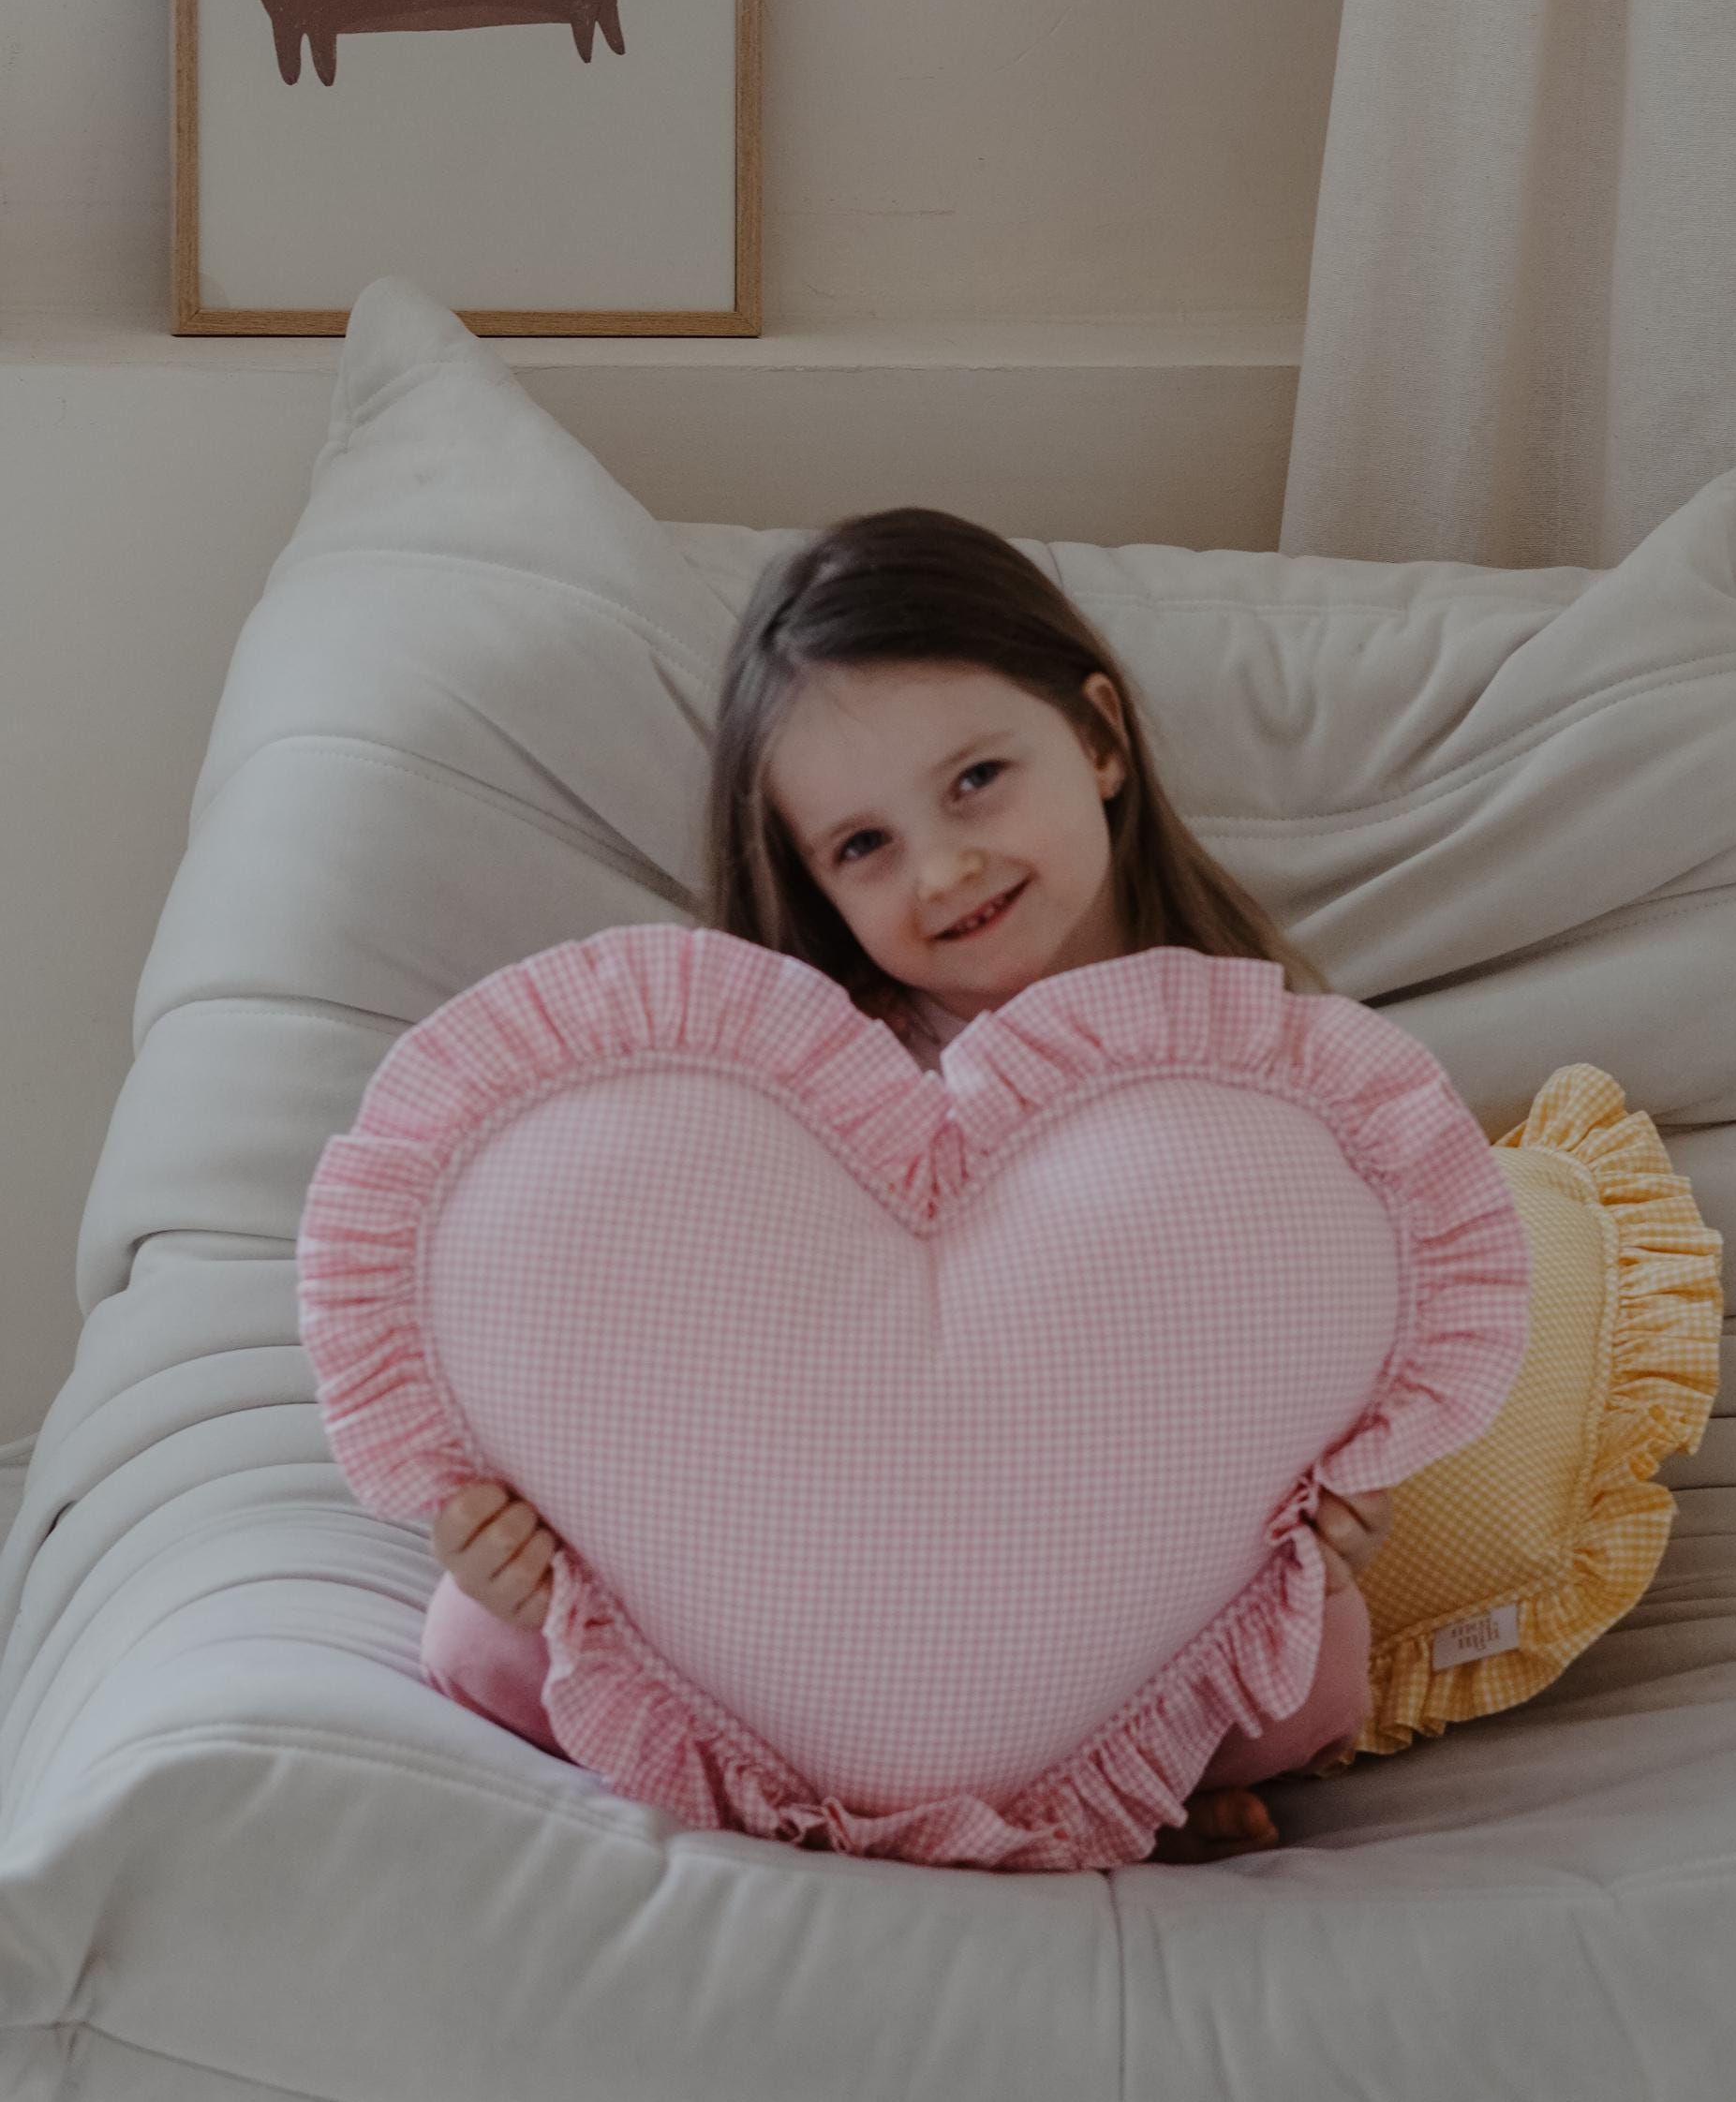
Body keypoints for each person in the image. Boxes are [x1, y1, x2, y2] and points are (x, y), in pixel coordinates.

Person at [422, 506, 1394, 1863]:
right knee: (484, 1624)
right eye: (863, 846)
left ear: (1101, 741)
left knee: (1319, 1649)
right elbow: (671, 1353)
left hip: (1095, 1563)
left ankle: (1109, 1769)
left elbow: (1308, 1371)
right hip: (809, 1555)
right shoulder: (791, 1096)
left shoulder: (1265, 1081)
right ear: (811, 884)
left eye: (978, 779)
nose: (944, 867)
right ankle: (816, 1759)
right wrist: (526, 1548)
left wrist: (1333, 1515)